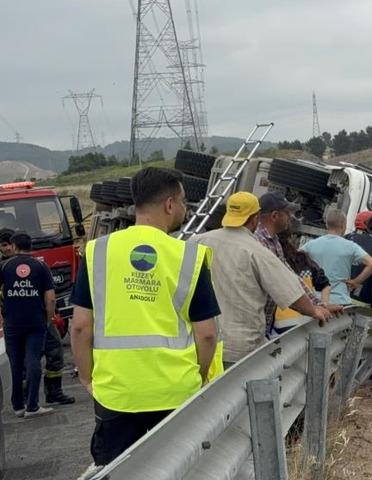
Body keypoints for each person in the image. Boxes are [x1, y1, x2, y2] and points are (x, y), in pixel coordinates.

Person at [70, 167, 220, 467]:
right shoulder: (188, 256)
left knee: (119, 470)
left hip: (117, 393)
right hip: (176, 391)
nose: (184, 208)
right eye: (182, 201)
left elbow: (80, 327)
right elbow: (207, 334)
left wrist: (87, 377)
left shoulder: (98, 251)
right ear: (169, 204)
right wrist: (197, 377)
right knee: (179, 469)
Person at [195, 192, 331, 367]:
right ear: (255, 218)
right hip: (238, 347)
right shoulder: (257, 251)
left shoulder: (197, 241)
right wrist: (314, 311)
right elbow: (288, 291)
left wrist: (315, 304)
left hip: (199, 341)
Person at [0, 229, 75, 406]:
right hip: (20, 319)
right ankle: (27, 399)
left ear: (15, 245)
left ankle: (54, 392)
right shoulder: (3, 268)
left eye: (9, 244)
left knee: (55, 351)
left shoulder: (36, 265)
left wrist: (50, 317)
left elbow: (47, 293)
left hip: (40, 317)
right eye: (3, 245)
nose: (7, 248)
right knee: (25, 361)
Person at [253, 192, 341, 335]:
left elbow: (290, 277)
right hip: (252, 325)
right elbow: (281, 284)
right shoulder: (258, 242)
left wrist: (317, 304)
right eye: (287, 213)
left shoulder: (274, 242)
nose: (291, 218)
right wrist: (313, 310)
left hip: (263, 326)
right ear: (275, 216)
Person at [1, 232, 56, 417]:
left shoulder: (5, 266)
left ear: (14, 247)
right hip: (35, 322)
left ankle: (17, 406)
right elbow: (50, 298)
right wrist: (48, 319)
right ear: (31, 246)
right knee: (33, 361)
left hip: (12, 323)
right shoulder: (41, 266)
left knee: (15, 364)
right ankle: (33, 405)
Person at [301, 209, 372, 306]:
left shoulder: (310, 245)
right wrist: (356, 282)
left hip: (315, 302)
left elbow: (293, 260)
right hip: (340, 302)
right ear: (344, 225)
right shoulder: (351, 246)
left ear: (327, 225)